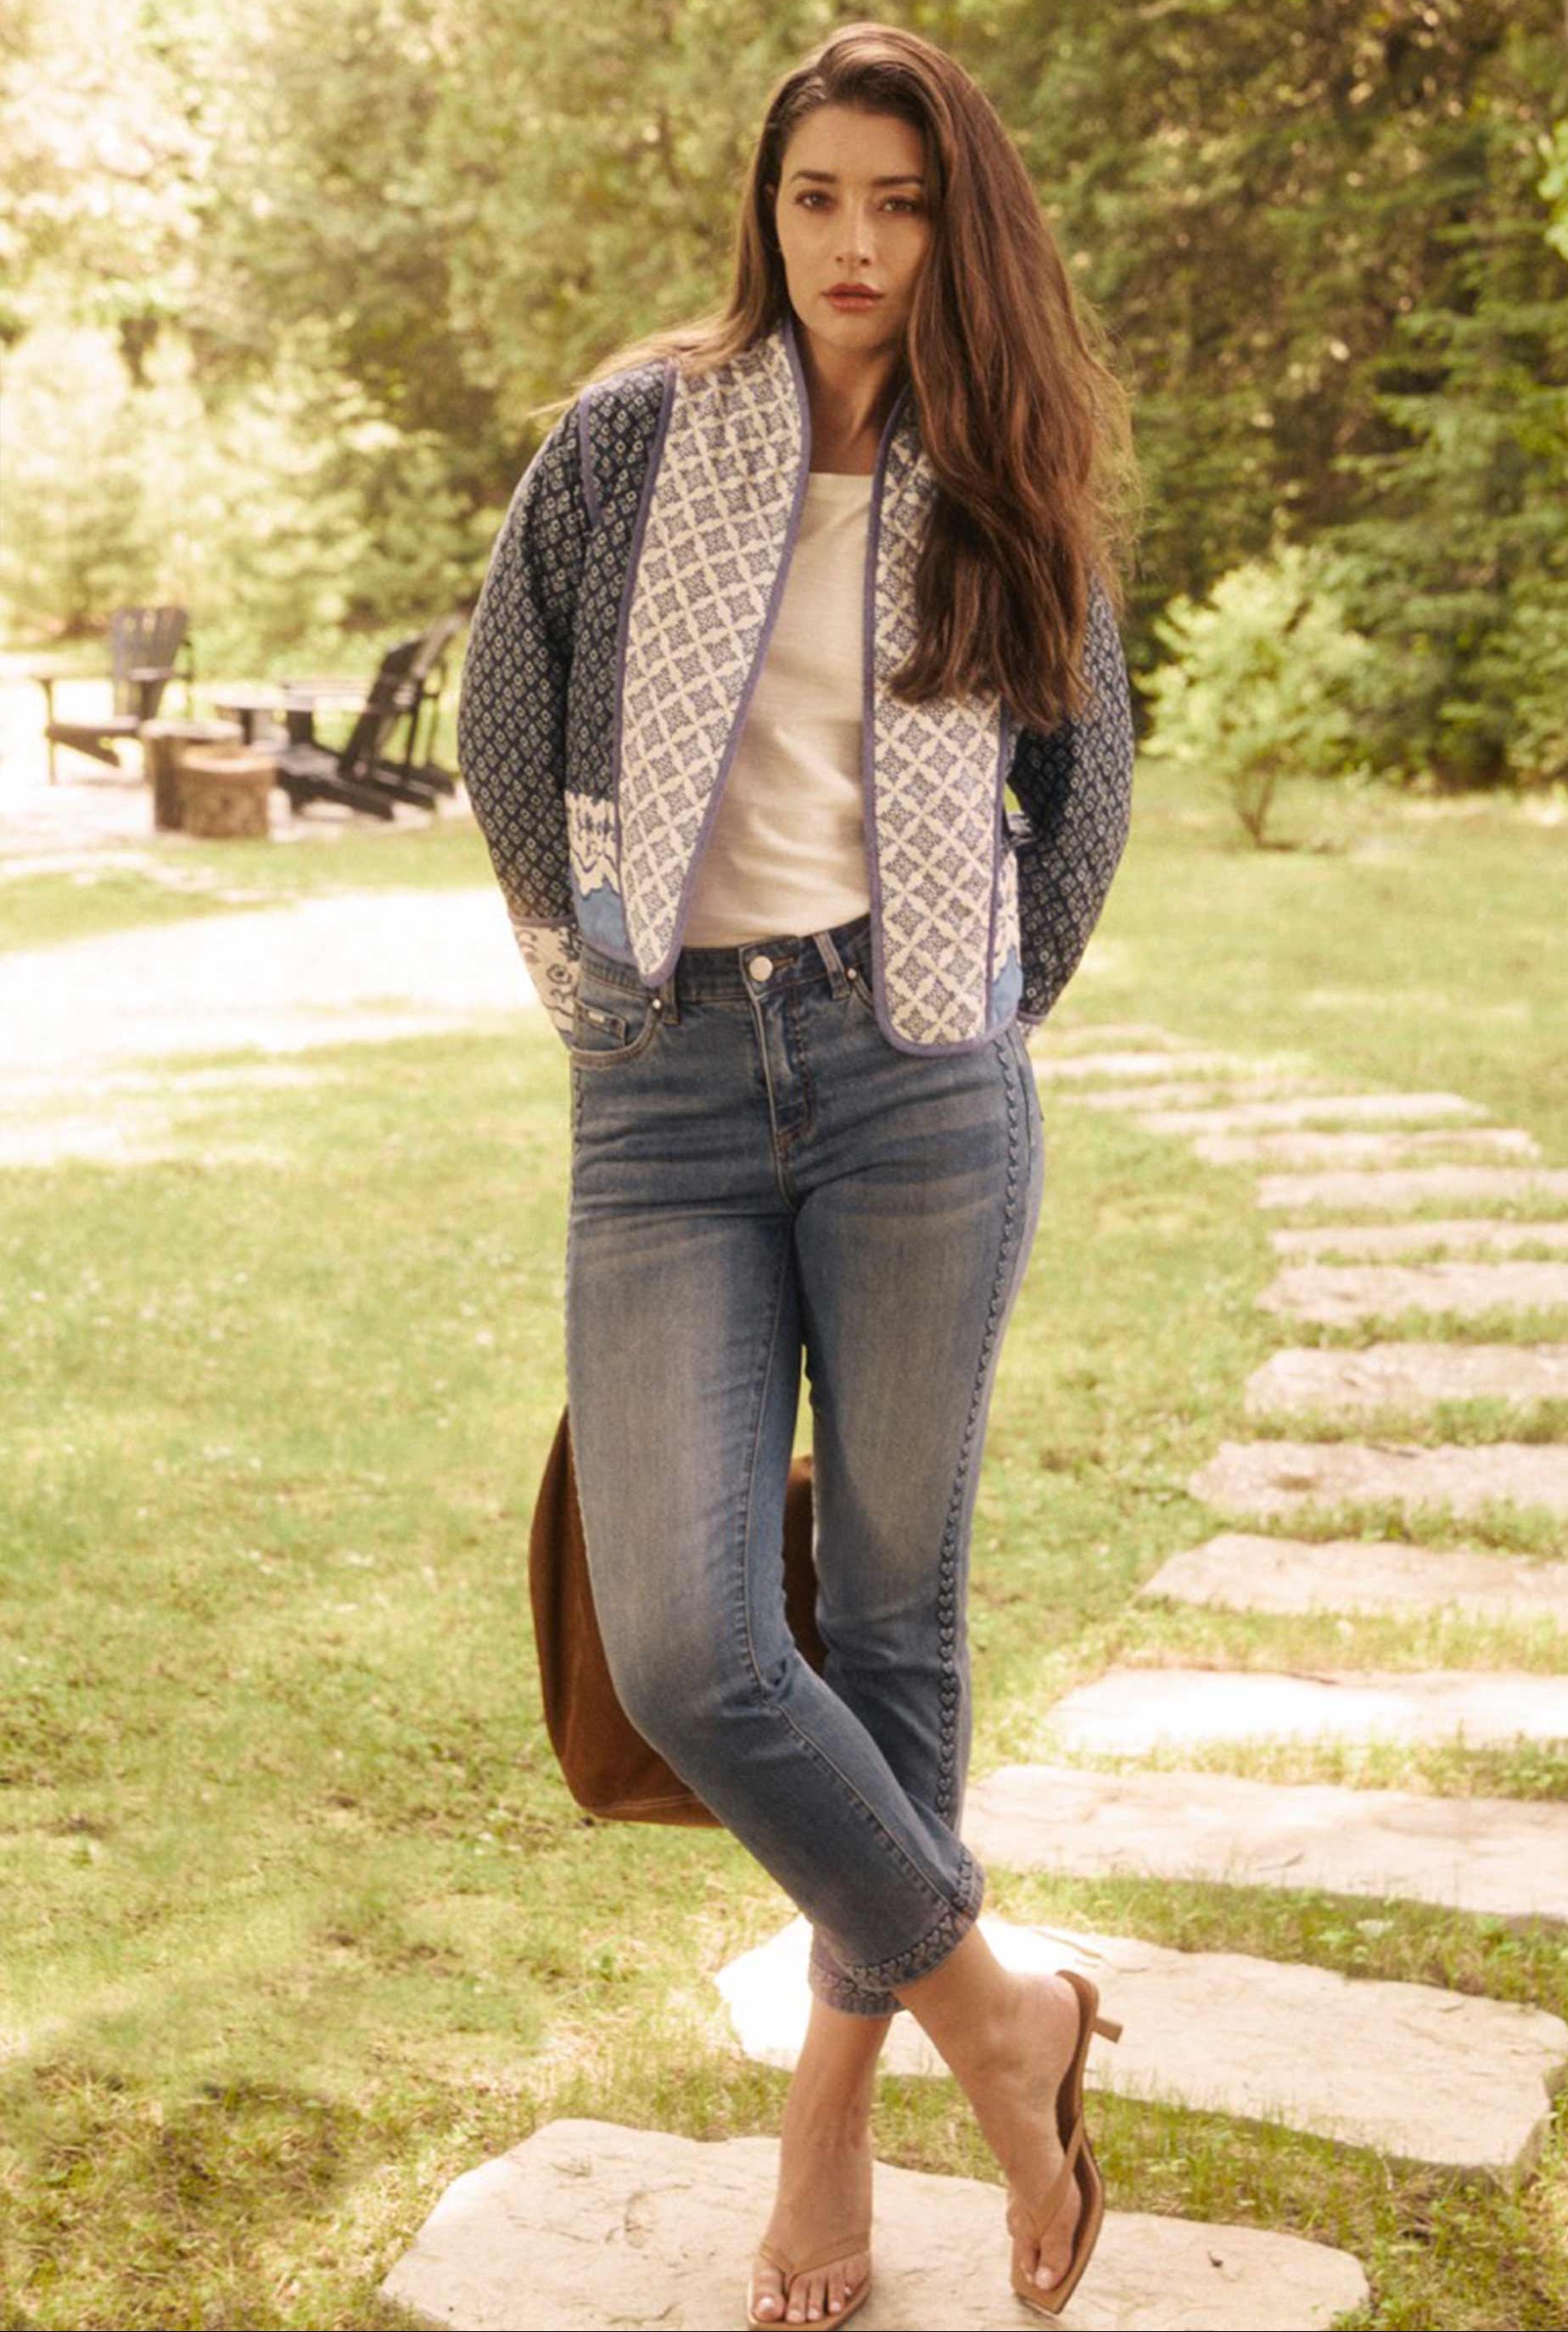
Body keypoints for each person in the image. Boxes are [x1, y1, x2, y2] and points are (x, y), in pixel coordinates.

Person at [457, 21, 1139, 2326]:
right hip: (661, 1096)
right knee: (684, 1642)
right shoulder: (636, 432)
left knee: (897, 1619)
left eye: (900, 204)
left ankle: (828, 2121)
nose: (853, 244)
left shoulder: (1010, 467)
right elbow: (507, 718)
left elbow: (1087, 787)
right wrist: (599, 976)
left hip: (918, 1081)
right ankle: (1003, 2018)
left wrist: (969, 1004)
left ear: (960, 227)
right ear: (766, 210)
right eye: (817, 196)